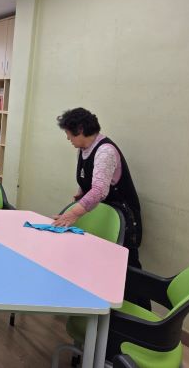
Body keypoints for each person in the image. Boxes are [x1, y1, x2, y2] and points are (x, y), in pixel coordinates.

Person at [53, 108, 143, 271]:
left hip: (122, 215)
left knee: (124, 267)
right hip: (102, 211)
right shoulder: (83, 149)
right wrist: (81, 194)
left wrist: (73, 213)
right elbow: (88, 177)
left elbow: (99, 190)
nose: (67, 138)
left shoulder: (105, 151)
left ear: (80, 130)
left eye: (69, 133)